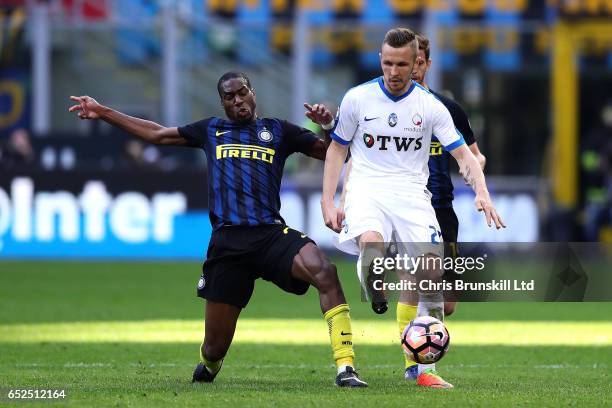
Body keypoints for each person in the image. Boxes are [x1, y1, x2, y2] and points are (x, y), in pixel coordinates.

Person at [68, 71, 367, 388]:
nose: (237, 100)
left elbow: (333, 152)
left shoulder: (278, 131)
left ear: (253, 92)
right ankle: (209, 365)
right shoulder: (211, 130)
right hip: (228, 246)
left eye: (242, 93)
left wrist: (329, 126)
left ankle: (345, 368)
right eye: (229, 96)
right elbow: (156, 134)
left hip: (269, 235)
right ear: (222, 102)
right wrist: (103, 113)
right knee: (214, 347)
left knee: (325, 271)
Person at [321, 28, 505, 389]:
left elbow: (464, 154)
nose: (394, 71)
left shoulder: (431, 106)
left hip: (412, 193)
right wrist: (329, 199)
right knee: (372, 249)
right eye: (387, 63)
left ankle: (424, 369)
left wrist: (482, 192)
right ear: (380, 60)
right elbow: (337, 149)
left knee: (431, 273)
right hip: (368, 189)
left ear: (416, 62)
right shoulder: (358, 98)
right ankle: (375, 288)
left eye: (402, 64)